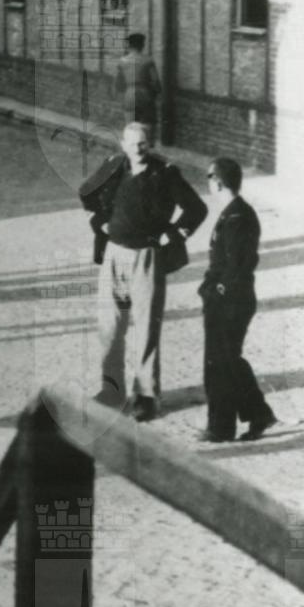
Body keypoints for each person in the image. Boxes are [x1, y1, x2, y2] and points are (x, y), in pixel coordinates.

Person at [78, 121, 207, 421]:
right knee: (109, 327)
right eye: (132, 143)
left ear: (150, 145)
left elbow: (196, 208)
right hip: (114, 255)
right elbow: (86, 193)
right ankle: (111, 391)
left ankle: (147, 397)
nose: (137, 149)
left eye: (143, 143)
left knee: (146, 329)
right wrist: (101, 221)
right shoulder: (113, 166)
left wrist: (173, 234)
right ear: (123, 144)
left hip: (147, 258)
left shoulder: (165, 173)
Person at [199, 156, 278, 444]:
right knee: (226, 361)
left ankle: (221, 428)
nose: (208, 183)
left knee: (220, 363)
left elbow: (236, 265)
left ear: (218, 182)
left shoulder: (237, 217)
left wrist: (216, 290)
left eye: (209, 177)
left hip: (230, 301)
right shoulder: (235, 212)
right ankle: (257, 414)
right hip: (231, 298)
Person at [114, 32, 162, 134]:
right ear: (142, 45)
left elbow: (118, 84)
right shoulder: (148, 60)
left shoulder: (122, 61)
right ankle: (147, 142)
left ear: (129, 45)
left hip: (129, 94)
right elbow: (156, 82)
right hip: (145, 94)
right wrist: (156, 94)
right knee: (148, 125)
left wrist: (124, 93)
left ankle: (133, 143)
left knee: (130, 126)